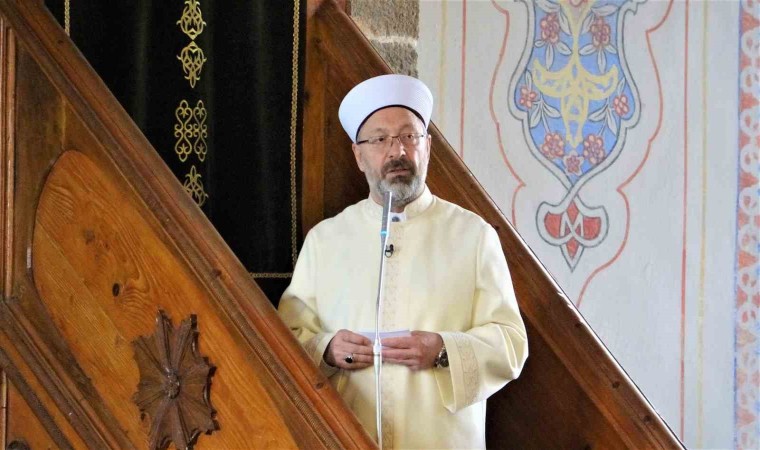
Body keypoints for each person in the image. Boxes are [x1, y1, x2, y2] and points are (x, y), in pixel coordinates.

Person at [278, 74, 528, 449]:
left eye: (409, 136)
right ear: (358, 155)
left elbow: (511, 342)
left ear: (427, 146)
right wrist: (328, 349)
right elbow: (286, 338)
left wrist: (443, 350)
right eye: (380, 139)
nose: (397, 151)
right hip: (345, 436)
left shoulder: (473, 236)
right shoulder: (325, 240)